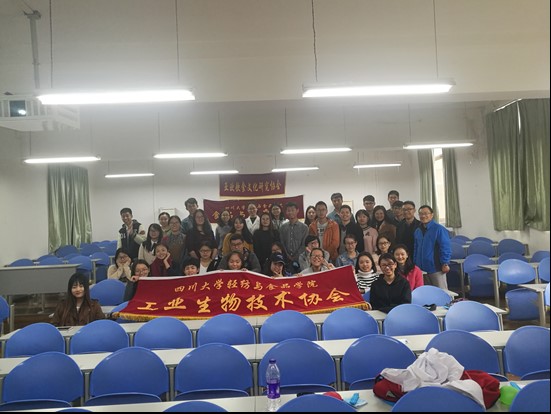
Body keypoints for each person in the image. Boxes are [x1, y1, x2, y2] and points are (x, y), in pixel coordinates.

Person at [413, 205, 452, 289]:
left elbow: (445, 247)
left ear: (432, 215)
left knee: (441, 292)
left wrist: (445, 263)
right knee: (425, 293)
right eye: (421, 214)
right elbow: (416, 248)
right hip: (421, 269)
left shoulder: (439, 229)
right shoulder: (417, 231)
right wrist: (415, 264)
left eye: (426, 213)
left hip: (436, 268)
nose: (423, 216)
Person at [279, 201, 308, 273]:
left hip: (301, 259)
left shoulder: (304, 227)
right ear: (286, 212)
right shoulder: (283, 227)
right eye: (288, 210)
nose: (290, 212)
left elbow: (304, 244)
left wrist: (295, 257)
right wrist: (287, 255)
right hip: (286, 259)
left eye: (292, 210)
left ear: (297, 210)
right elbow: (282, 243)